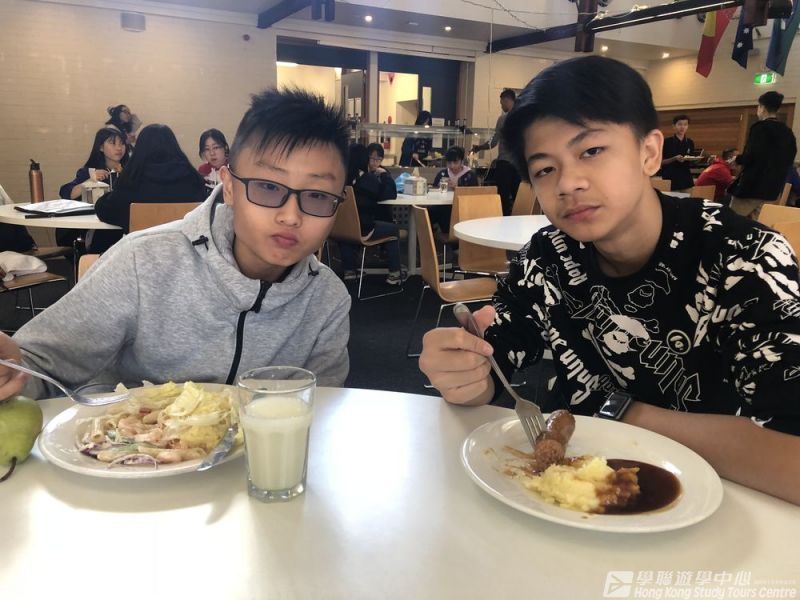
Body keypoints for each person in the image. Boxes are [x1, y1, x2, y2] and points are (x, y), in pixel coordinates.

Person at [418, 56, 800, 505]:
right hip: (572, 496)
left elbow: (790, 458)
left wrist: (622, 412)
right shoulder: (547, 256)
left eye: (591, 151)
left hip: (725, 506)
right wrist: (465, 373)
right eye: (545, 169)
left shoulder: (745, 257)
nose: (568, 183)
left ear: (649, 152)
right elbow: (497, 359)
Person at [0, 88, 352, 404]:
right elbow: (35, 366)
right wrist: (9, 371)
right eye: (269, 187)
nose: (291, 216)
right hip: (125, 451)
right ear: (229, 186)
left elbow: (318, 411)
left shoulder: (327, 299)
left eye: (318, 196)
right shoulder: (142, 261)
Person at [94, 124, 208, 234]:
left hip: (140, 246)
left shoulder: (132, 180)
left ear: (140, 150)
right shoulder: (192, 179)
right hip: (183, 246)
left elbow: (105, 210)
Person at [340, 143, 405, 285]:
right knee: (393, 229)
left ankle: (349, 271)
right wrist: (385, 175)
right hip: (363, 230)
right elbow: (390, 194)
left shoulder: (340, 178)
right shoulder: (367, 180)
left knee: (348, 228)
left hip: (341, 229)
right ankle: (395, 274)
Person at [729, 91, 798, 219]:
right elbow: (791, 156)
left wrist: (737, 159)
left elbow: (751, 155)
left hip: (752, 186)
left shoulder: (760, 128)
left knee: (732, 221)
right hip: (773, 188)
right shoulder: (787, 132)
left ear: (762, 108)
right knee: (759, 225)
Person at [57, 127, 129, 249]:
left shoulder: (130, 171)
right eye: (113, 143)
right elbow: (67, 192)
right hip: (97, 227)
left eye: (122, 143)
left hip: (122, 224)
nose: (119, 148)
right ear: (101, 147)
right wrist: (90, 180)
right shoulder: (90, 172)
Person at [472, 89, 521, 216]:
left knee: (502, 198)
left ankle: (503, 223)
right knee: (517, 197)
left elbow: (493, 142)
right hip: (519, 165)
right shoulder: (523, 118)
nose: (501, 106)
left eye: (501, 103)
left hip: (505, 164)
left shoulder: (503, 119)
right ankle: (517, 223)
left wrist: (479, 148)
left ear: (506, 100)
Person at [430, 145, 478, 233]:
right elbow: (433, 191)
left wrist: (457, 188)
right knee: (428, 212)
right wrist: (438, 187)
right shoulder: (442, 174)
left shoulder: (470, 175)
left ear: (462, 161)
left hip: (463, 210)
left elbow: (475, 196)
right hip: (443, 206)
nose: (452, 166)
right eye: (449, 163)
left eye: (455, 162)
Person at [659, 114, 696, 192]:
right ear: (674, 126)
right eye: (680, 124)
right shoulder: (666, 142)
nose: (682, 127)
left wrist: (696, 160)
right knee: (672, 199)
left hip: (686, 179)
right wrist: (674, 158)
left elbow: (691, 161)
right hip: (671, 179)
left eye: (685, 124)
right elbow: (660, 162)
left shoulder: (690, 142)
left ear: (688, 126)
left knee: (688, 199)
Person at [366, 142, 397, 223]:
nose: (375, 162)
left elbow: (392, 194)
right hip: (369, 216)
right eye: (372, 159)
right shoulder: (364, 173)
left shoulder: (384, 172)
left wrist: (384, 175)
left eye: (378, 159)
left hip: (382, 216)